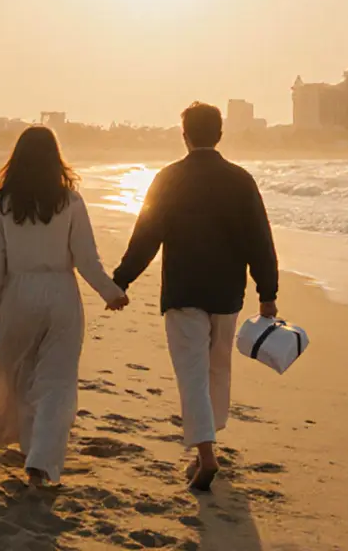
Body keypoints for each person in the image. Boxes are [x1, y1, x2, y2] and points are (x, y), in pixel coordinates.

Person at [112, 102, 279, 492]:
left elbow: (146, 237)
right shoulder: (241, 180)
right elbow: (260, 240)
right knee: (217, 370)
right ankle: (208, 442)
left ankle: (205, 453)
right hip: (226, 294)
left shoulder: (169, 179)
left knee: (191, 374)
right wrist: (267, 294)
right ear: (219, 135)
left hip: (184, 291)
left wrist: (121, 281)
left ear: (184, 135)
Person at [0, 126, 129, 489]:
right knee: (57, 381)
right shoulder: (70, 201)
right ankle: (40, 461)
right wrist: (111, 293)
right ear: (55, 158)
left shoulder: (3, 203)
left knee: (18, 376)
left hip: (17, 292)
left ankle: (29, 448)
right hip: (60, 292)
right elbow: (86, 259)